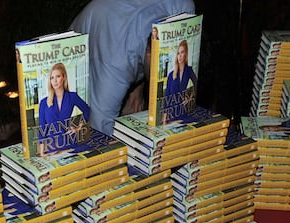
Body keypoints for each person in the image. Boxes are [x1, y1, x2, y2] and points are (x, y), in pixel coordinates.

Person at [69, 0, 195, 135]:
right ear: (148, 53)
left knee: (137, 109)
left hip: (126, 28)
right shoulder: (114, 63)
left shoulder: (183, 7)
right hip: (87, 52)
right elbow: (101, 124)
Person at [38, 62, 90, 156]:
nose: (55, 81)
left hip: (70, 143)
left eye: (58, 76)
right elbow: (42, 129)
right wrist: (42, 153)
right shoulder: (44, 103)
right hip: (53, 146)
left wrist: (78, 128)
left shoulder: (72, 96)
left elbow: (87, 110)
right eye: (52, 78)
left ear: (64, 77)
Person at [164, 39, 197, 121]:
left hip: (183, 111)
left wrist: (190, 98)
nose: (180, 56)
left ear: (186, 54)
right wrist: (164, 119)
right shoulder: (171, 74)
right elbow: (167, 96)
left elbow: (196, 84)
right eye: (178, 53)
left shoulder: (189, 70)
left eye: (182, 52)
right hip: (172, 113)